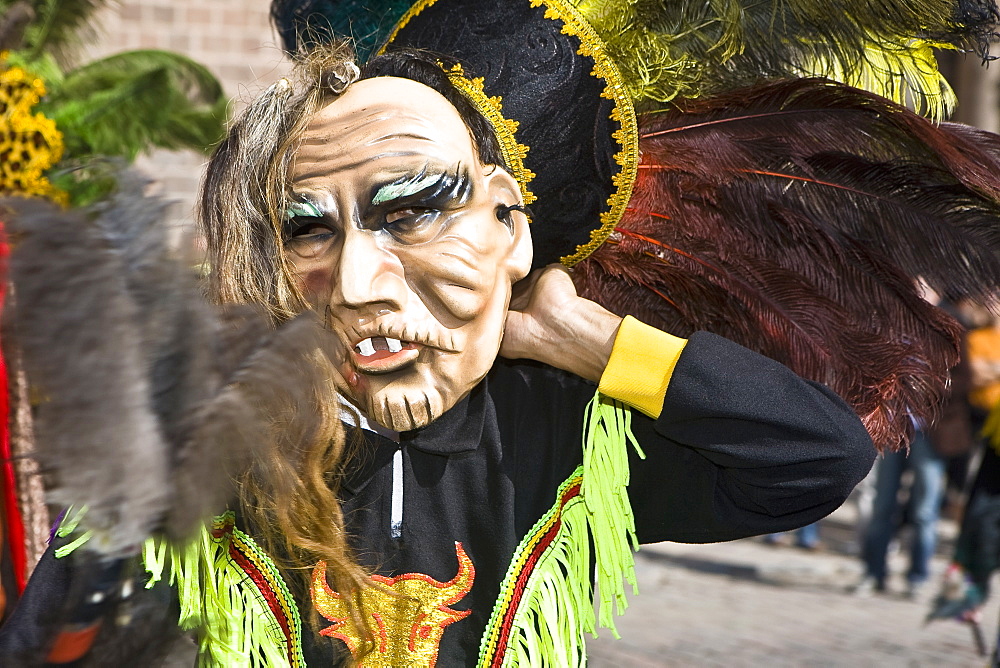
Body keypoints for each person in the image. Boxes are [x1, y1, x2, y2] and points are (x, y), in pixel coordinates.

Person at [6, 0, 1000, 665]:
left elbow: (813, 454)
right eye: (310, 228)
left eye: (411, 212)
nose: (357, 277)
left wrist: (586, 340)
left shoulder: (564, 433)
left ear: (508, 233)